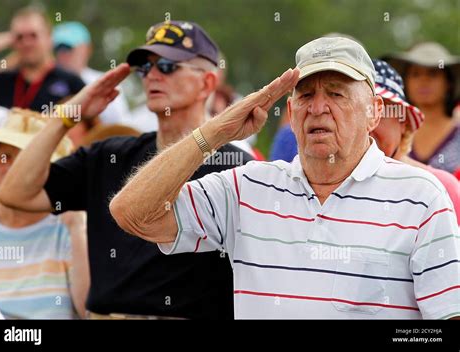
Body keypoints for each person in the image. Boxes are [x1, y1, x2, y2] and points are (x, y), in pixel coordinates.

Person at [109, 37, 459, 319]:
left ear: (373, 112)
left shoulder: (420, 196)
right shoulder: (247, 187)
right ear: (291, 113)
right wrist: (214, 133)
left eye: (336, 93)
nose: (318, 107)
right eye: (306, 94)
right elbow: (132, 213)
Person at [0, 21, 253, 320]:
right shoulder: (109, 155)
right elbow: (14, 193)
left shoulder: (236, 168)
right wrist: (68, 116)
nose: (152, 75)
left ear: (207, 83)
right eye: (145, 67)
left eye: (168, 66)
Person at [0, 108, 89, 319]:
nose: (10, 169)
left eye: (26, 161)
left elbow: (89, 310)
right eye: (4, 157)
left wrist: (77, 228)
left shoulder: (71, 225)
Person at [369, 59, 460, 225]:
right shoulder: (320, 186)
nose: (368, 124)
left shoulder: (444, 187)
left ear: (403, 122)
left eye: (380, 111)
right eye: (357, 111)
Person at [0, 7, 85, 112]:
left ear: (49, 37)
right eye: (20, 37)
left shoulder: (71, 83)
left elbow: (93, 124)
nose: (27, 43)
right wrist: (1, 40)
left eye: (33, 35)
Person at [384, 42, 460, 173]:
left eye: (432, 74)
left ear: (449, 83)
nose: (423, 81)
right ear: (405, 82)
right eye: (415, 74)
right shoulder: (393, 132)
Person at [53, 22, 131, 125]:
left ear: (87, 49)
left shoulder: (106, 82)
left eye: (68, 48)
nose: (63, 54)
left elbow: (120, 125)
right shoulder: (44, 82)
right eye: (58, 49)